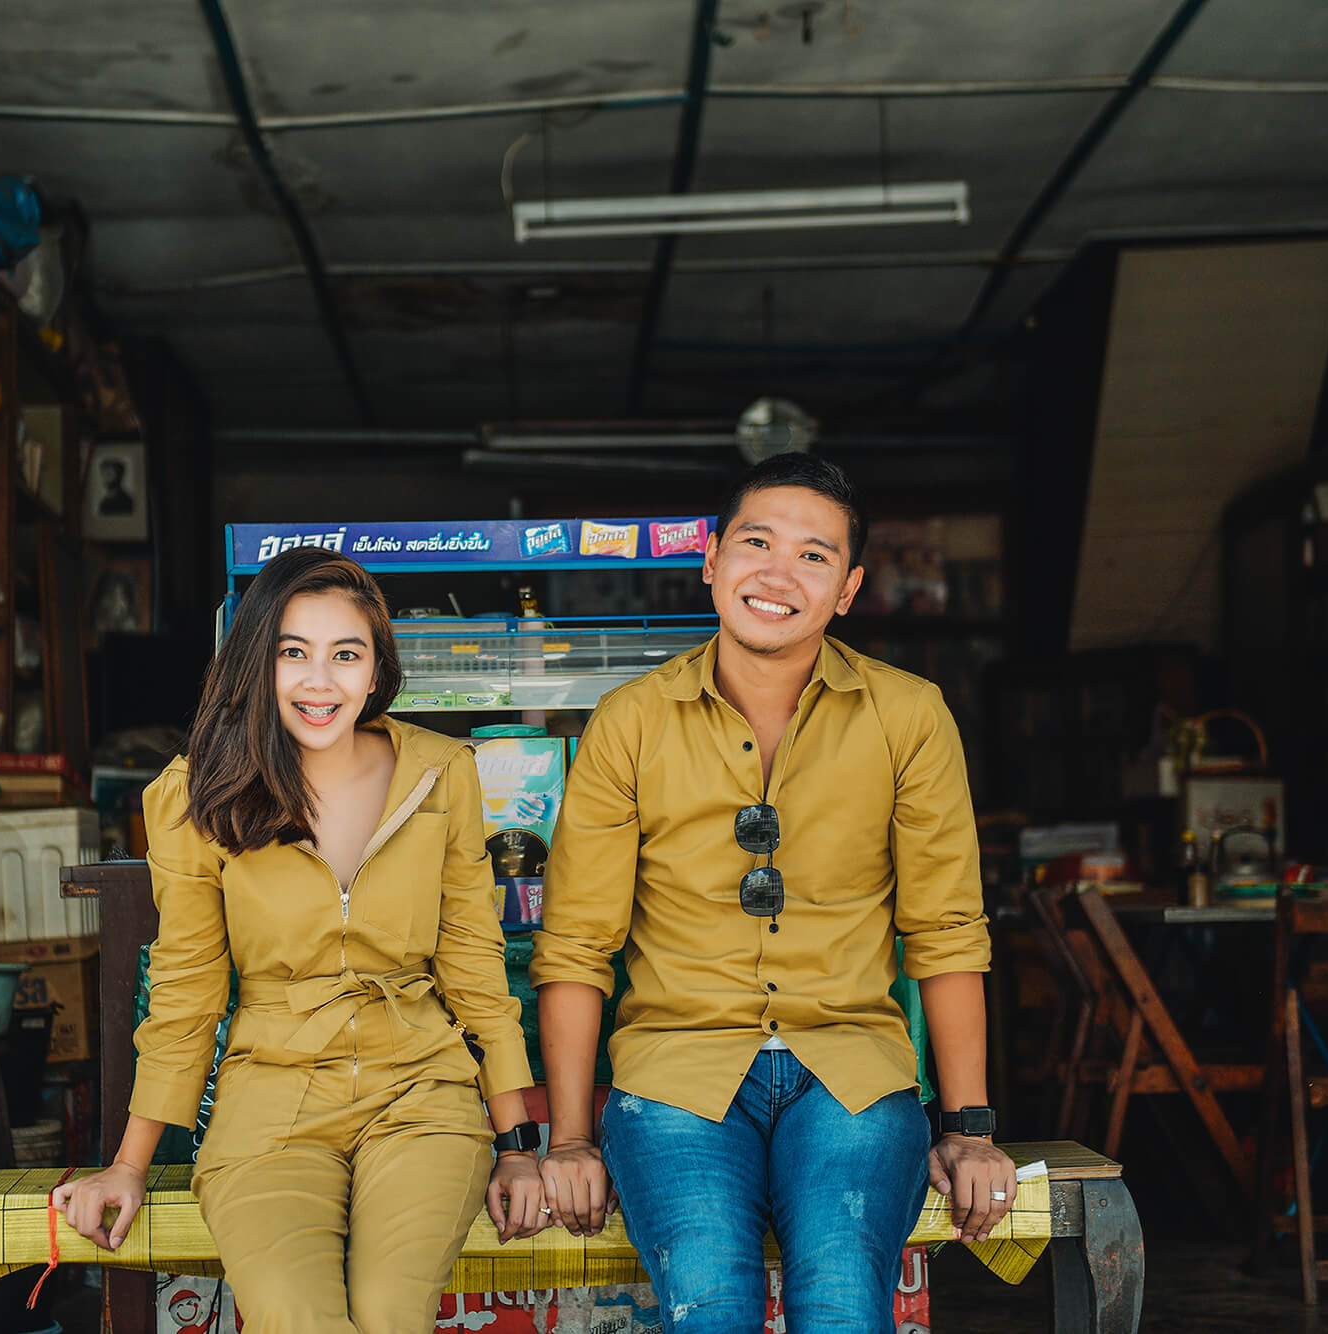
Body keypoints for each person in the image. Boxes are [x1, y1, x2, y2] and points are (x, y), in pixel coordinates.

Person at [532, 454, 1016, 1334]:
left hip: (853, 1073)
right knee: (710, 1301)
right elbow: (575, 943)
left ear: (848, 590)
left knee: (839, 1301)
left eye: (814, 556)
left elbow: (946, 930)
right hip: (675, 1074)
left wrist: (970, 1127)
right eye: (756, 543)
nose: (777, 574)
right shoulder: (629, 722)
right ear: (711, 559)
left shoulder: (908, 716)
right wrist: (569, 1139)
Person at [56, 547, 546, 1332]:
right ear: (258, 662)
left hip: (421, 1095)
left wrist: (517, 1142)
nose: (320, 682)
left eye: (345, 655)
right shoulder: (195, 794)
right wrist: (128, 1165)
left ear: (375, 667)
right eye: (294, 653)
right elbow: (186, 990)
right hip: (270, 1104)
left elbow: (475, 968)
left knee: (391, 1314)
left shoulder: (442, 772)